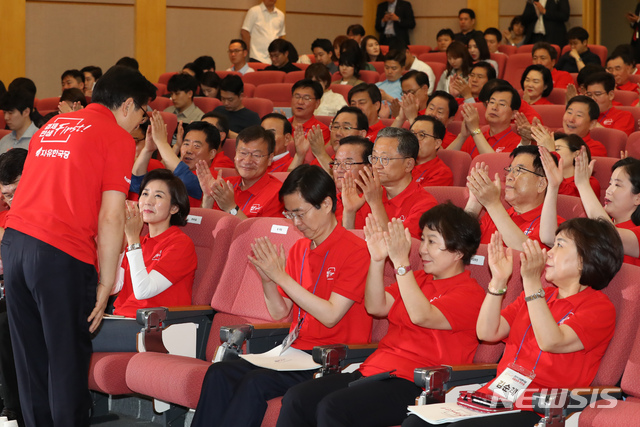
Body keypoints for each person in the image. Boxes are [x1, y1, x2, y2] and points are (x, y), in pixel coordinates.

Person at [2, 65, 155, 427]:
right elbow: (112, 217)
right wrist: (105, 283)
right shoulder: (115, 137)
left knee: (31, 362)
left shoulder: (53, 125)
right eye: (143, 113)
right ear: (129, 105)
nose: (140, 122)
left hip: (15, 246)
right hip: (59, 254)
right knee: (67, 362)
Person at [190, 164, 373, 427]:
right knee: (220, 372)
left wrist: (281, 277)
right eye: (290, 215)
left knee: (255, 382)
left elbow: (331, 315)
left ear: (326, 204)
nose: (296, 223)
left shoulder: (356, 250)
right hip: (294, 351)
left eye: (300, 213)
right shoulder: (299, 248)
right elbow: (279, 312)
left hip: (332, 357)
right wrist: (267, 279)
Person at [277, 202, 485, 427]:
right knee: (297, 398)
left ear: (458, 252)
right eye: (423, 239)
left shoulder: (470, 293)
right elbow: (376, 306)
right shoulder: (418, 279)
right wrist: (376, 261)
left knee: (334, 407)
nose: (422, 249)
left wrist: (401, 264)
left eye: (432, 241)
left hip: (416, 383)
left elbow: (421, 315)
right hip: (376, 370)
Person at [403, 217, 623, 427]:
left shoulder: (599, 308)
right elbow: (487, 333)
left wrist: (531, 282)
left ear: (583, 260)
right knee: (415, 422)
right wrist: (498, 280)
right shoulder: (541, 295)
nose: (549, 253)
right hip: (497, 396)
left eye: (559, 246)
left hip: (540, 408)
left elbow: (551, 341)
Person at [109, 168, 196, 319]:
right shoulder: (138, 241)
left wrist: (132, 240)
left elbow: (144, 291)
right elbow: (113, 286)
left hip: (156, 327)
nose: (148, 201)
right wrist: (121, 241)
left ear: (174, 208)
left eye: (158, 196)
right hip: (121, 318)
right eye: (145, 194)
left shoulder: (181, 244)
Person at [544, 148, 640, 266]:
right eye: (610, 184)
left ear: (638, 198)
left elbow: (609, 236)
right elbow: (548, 238)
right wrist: (553, 187)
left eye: (618, 185)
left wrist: (583, 184)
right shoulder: (596, 225)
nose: (609, 190)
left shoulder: (636, 232)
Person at [342, 127, 437, 238]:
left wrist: (376, 204)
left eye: (385, 159)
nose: (377, 165)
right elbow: (348, 244)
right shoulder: (369, 194)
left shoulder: (425, 205)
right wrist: (349, 212)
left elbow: (398, 249)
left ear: (409, 164)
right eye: (374, 158)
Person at [465, 145, 562, 249]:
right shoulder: (493, 215)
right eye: (510, 170)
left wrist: (493, 204)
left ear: (541, 184)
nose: (509, 177)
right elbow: (454, 243)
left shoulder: (554, 226)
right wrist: (474, 203)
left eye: (519, 170)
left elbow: (526, 255)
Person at [197, 125, 284, 218]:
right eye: (242, 153)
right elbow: (204, 226)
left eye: (256, 155)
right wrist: (208, 197)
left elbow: (262, 232)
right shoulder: (225, 185)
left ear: (270, 159)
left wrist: (231, 207)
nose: (247, 161)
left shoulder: (278, 194)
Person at [133, 116, 220, 207]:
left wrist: (162, 143)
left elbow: (186, 180)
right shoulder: (167, 170)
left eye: (196, 146)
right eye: (186, 144)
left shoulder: (214, 179)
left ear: (212, 153)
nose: (188, 150)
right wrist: (148, 149)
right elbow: (136, 183)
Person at [0, 148, 27, 425]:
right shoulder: (9, 216)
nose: (13, 200)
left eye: (17, 191)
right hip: (17, 291)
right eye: (7, 195)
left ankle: (13, 410)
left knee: (5, 323)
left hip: (50, 295)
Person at [448, 84, 523, 158]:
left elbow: (495, 164)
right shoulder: (475, 136)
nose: (494, 107)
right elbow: (446, 159)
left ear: (513, 114)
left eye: (502, 104)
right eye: (492, 102)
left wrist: (475, 130)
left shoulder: (517, 143)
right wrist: (462, 136)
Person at [531, 130, 600, 197]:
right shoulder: (543, 179)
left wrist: (552, 153)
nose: (550, 153)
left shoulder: (589, 181)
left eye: (557, 149)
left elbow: (567, 201)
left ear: (577, 154)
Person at [331, 135, 373, 223]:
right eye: (336, 163)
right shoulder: (328, 202)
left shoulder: (375, 204)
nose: (339, 170)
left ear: (369, 168)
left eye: (347, 163)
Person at [410, 116, 453, 186]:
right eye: (412, 135)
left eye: (422, 135)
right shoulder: (401, 162)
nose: (414, 140)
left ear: (437, 143)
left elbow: (420, 196)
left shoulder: (442, 173)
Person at [289, 79, 331, 143]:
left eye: (306, 98)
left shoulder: (320, 131)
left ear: (317, 103)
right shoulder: (282, 125)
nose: (300, 102)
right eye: (297, 97)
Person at [0, 89, 39, 154]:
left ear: (26, 112)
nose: (6, 117)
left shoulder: (40, 139)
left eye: (10, 113)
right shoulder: (4, 141)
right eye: (4, 113)